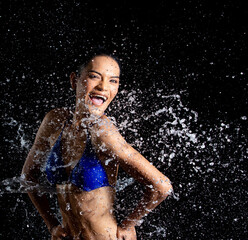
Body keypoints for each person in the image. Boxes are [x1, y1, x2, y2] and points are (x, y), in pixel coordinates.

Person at [21, 50, 173, 240]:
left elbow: (161, 186)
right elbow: (28, 176)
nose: (103, 87)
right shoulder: (55, 121)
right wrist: (51, 225)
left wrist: (128, 225)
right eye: (94, 77)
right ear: (74, 80)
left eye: (113, 81)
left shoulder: (104, 132)